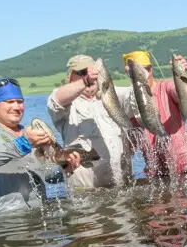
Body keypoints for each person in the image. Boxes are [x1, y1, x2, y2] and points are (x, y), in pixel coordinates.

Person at [0, 77, 81, 220]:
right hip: (0, 220)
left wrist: (65, 167)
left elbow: (45, 177)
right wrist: (23, 144)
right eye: (9, 102)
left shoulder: (31, 134)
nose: (17, 107)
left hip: (37, 215)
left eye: (20, 102)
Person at [47, 54, 137, 191]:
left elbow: (141, 98)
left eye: (94, 72)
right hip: (86, 192)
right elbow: (56, 100)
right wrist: (85, 81)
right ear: (71, 77)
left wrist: (138, 75)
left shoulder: (112, 93)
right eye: (83, 72)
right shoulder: (66, 103)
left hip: (122, 187)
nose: (91, 76)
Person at [123, 50, 187, 177]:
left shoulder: (166, 87)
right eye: (138, 71)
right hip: (157, 172)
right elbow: (132, 143)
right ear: (129, 73)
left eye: (147, 69)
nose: (145, 74)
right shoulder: (131, 101)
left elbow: (182, 96)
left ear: (152, 69)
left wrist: (181, 75)